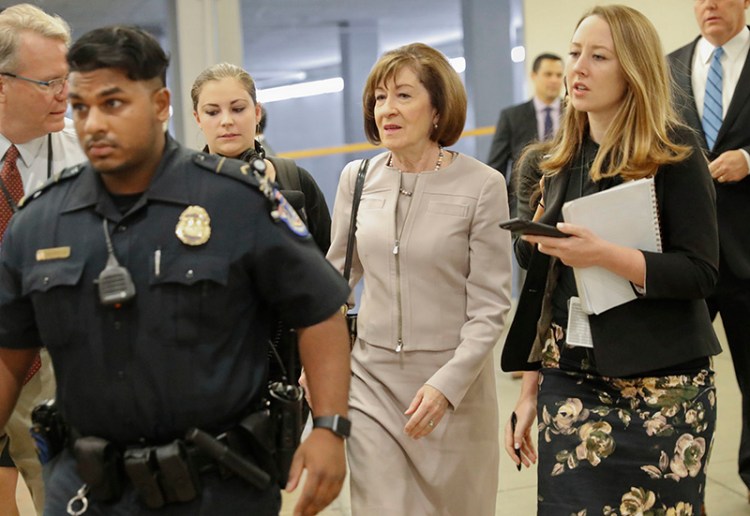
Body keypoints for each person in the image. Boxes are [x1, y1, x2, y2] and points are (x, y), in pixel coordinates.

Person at [0, 25, 352, 516]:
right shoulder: (38, 223)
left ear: (161, 104)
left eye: (114, 103)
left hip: (217, 485)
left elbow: (319, 312)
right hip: (87, 490)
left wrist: (330, 427)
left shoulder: (238, 202)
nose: (93, 123)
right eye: (80, 108)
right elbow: (9, 354)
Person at [502, 5, 721, 514]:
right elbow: (545, 291)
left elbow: (701, 273)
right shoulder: (544, 163)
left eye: (598, 57)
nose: (577, 68)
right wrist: (528, 390)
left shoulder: (677, 152)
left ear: (634, 71)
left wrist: (606, 255)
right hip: (571, 382)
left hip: (666, 387)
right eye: (575, 52)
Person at [326, 42, 512, 515]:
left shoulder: (483, 185)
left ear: (437, 109)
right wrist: (317, 359)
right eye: (379, 97)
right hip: (371, 381)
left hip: (454, 387)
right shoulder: (357, 178)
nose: (386, 109)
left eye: (403, 96)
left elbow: (490, 306)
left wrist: (447, 384)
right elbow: (335, 279)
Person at [0, 4, 85, 514]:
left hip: (56, 366)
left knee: (67, 497)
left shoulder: (93, 158)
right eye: (49, 82)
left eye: (66, 79)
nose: (65, 95)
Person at [668, 0, 750, 498]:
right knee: (676, 379)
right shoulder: (669, 66)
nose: (710, 4)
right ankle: (673, 481)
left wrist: (749, 157)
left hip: (748, 254)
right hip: (685, 254)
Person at [191, 63, 330, 253]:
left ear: (257, 113)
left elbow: (331, 265)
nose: (226, 121)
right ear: (198, 118)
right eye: (213, 112)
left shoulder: (294, 180)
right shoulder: (184, 189)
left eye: (238, 109)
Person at [487, 53, 564, 217]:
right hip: (523, 205)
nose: (554, 80)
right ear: (533, 76)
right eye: (548, 74)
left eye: (558, 75)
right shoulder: (512, 117)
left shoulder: (574, 113)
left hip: (563, 201)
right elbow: (496, 168)